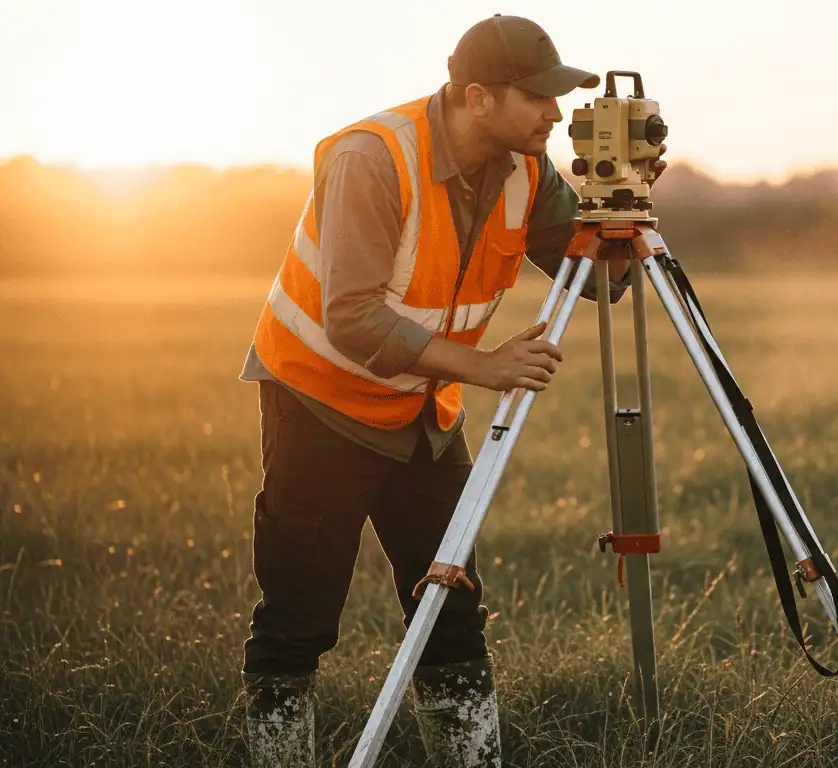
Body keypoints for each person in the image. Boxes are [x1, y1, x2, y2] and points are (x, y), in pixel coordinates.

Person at [235, 14, 666, 767]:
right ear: (477, 97)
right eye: (537, 98)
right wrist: (488, 368)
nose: (556, 116)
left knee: (451, 609)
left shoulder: (525, 171)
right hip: (319, 403)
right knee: (298, 619)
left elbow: (599, 281)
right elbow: (352, 317)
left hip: (422, 416)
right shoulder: (374, 157)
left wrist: (622, 210)